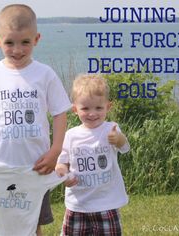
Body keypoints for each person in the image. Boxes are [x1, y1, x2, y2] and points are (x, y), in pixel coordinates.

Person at [0, 4, 71, 236]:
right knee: (3, 226)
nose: (17, 50)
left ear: (36, 39)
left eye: (25, 43)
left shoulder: (45, 74)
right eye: (9, 43)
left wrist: (55, 150)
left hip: (35, 169)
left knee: (33, 225)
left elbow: (60, 113)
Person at [55, 74, 130, 236]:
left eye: (98, 108)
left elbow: (125, 147)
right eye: (85, 108)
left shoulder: (111, 128)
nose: (92, 113)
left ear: (108, 107)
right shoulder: (70, 135)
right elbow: (60, 164)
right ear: (75, 109)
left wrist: (118, 139)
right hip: (77, 204)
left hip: (106, 203)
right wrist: (64, 176)